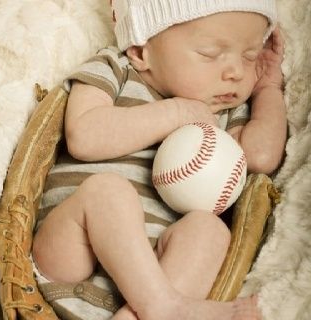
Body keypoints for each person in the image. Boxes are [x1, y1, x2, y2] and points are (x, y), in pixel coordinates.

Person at [32, 1, 287, 319]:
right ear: (141, 50)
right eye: (209, 53)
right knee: (109, 192)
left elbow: (261, 158)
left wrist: (268, 88)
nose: (235, 72)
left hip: (153, 275)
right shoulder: (116, 69)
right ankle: (164, 307)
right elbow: (84, 136)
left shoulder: (221, 113)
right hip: (68, 259)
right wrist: (176, 112)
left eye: (249, 56)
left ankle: (144, 311)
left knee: (211, 231)